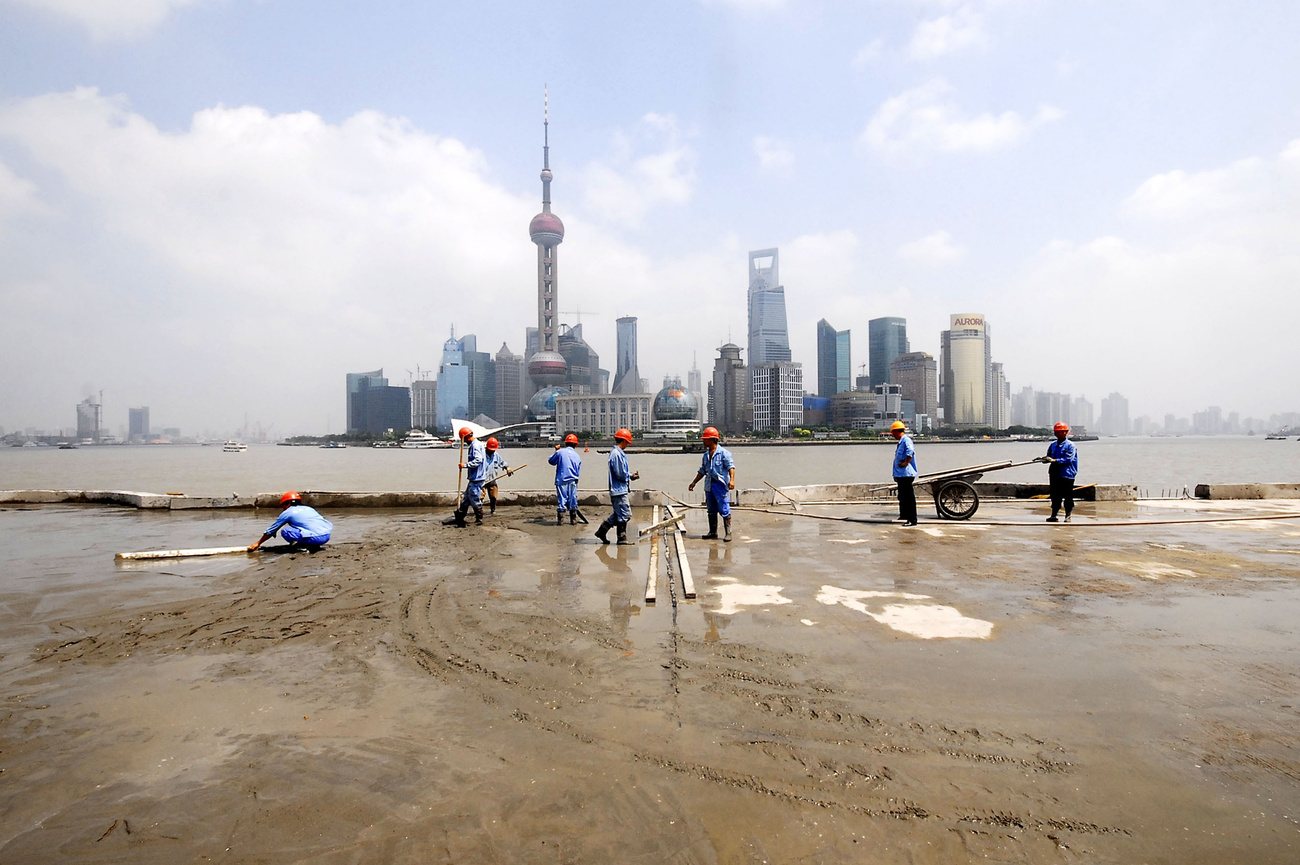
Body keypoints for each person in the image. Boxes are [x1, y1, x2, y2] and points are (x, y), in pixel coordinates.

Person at [688, 426, 736, 541]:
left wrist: (732, 480)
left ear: (712, 439)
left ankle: (728, 533)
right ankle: (712, 532)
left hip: (720, 485)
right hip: (709, 486)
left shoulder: (724, 454)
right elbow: (702, 470)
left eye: (705, 439)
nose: (703, 441)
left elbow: (731, 467)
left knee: (724, 509)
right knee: (711, 509)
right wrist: (694, 482)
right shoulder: (705, 455)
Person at [595, 428, 639, 545]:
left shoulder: (617, 453)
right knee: (625, 514)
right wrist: (630, 476)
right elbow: (620, 473)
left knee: (619, 513)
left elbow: (621, 472)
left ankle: (602, 531)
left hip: (619, 489)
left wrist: (629, 475)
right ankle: (621, 538)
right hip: (618, 490)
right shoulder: (616, 454)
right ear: (624, 441)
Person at [249, 491, 332, 551]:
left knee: (286, 531)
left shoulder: (288, 512)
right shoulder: (308, 508)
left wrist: (258, 543)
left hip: (316, 538)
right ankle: (313, 545)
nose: (283, 508)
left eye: (283, 506)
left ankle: (302, 547)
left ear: (287, 503)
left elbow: (271, 530)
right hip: (326, 535)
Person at [1040, 421, 1079, 523]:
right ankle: (1054, 515)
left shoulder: (1070, 446)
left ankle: (1068, 515)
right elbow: (1049, 457)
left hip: (1067, 474)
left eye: (1062, 432)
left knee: (1068, 496)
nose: (1059, 434)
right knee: (1055, 495)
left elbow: (1068, 459)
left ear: (1066, 432)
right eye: (1057, 432)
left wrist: (1055, 460)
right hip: (1054, 474)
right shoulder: (1053, 445)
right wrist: (1043, 459)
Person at [450, 427, 487, 527]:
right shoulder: (476, 444)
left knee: (474, 498)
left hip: (477, 477)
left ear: (466, 437)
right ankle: (459, 517)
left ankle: (479, 518)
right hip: (475, 477)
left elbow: (478, 460)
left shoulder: (475, 446)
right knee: (466, 498)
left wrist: (465, 465)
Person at [548, 432, 583, 525]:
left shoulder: (560, 452)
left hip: (562, 479)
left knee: (562, 500)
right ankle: (573, 520)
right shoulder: (577, 456)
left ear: (565, 443)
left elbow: (551, 461)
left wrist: (556, 450)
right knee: (573, 499)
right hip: (573, 480)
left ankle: (561, 521)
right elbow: (577, 470)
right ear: (575, 445)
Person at [890, 420, 919, 526]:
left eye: (893, 433)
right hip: (901, 474)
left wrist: (906, 462)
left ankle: (912, 519)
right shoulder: (901, 441)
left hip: (906, 474)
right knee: (902, 496)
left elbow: (910, 451)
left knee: (908, 497)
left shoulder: (906, 440)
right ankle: (904, 515)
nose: (893, 436)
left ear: (897, 431)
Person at [483, 437, 513, 515]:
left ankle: (493, 510)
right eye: (490, 449)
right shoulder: (481, 454)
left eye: (493, 450)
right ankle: (478, 512)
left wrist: (507, 468)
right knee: (479, 497)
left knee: (493, 497)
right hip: (482, 480)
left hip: (493, 479)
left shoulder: (496, 455)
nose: (492, 451)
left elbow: (502, 463)